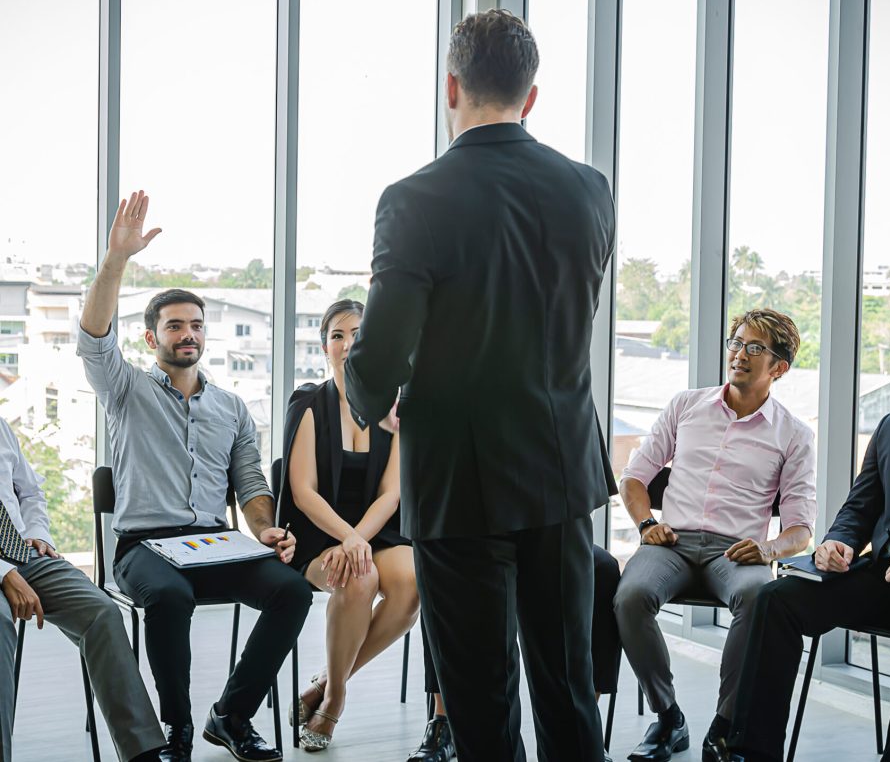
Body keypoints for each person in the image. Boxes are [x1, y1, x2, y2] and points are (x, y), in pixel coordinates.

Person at [344, 9, 618, 762]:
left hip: (460, 481)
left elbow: (385, 348)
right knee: (567, 686)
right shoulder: (590, 190)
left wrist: (366, 395)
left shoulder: (414, 199)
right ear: (530, 97)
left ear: (450, 87)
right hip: (560, 470)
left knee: (481, 698)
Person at [78, 191, 313, 762]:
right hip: (145, 548)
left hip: (214, 545)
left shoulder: (232, 408)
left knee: (293, 591)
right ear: (151, 336)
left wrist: (265, 530)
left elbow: (252, 486)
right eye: (175, 325)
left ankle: (230, 716)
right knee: (166, 595)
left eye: (196, 326)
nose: (188, 334)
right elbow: (93, 336)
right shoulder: (125, 389)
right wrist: (116, 261)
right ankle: (175, 732)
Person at [614, 309, 816, 762]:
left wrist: (768, 548)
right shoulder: (686, 405)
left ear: (779, 367)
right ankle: (668, 718)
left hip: (738, 553)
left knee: (760, 600)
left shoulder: (795, 435)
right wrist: (648, 525)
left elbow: (801, 528)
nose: (740, 354)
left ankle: (724, 727)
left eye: (755, 348)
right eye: (737, 343)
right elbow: (633, 479)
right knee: (630, 597)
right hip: (672, 542)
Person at [277, 299, 419, 752]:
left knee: (413, 584)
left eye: (358, 333)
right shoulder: (308, 404)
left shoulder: (398, 406)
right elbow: (303, 492)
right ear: (324, 347)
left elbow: (392, 493)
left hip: (379, 528)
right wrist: (349, 538)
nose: (348, 343)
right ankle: (335, 699)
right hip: (319, 534)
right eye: (338, 335)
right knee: (359, 577)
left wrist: (361, 537)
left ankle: (327, 679)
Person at [722, 410, 890, 762]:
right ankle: (752, 753)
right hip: (884, 575)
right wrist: (838, 541)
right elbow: (860, 507)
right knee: (776, 599)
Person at [0, 418, 165, 762]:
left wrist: (38, 534)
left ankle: (141, 753)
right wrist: (4, 573)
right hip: (4, 565)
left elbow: (29, 491)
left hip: (22, 551)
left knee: (101, 611)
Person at [407, 545, 622, 762]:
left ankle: (584, 726)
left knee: (604, 567)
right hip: (480, 532)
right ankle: (443, 719)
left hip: (545, 528)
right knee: (442, 565)